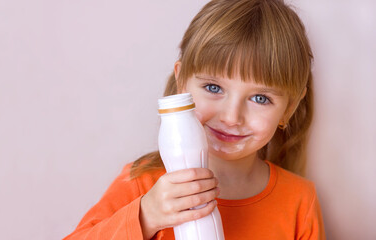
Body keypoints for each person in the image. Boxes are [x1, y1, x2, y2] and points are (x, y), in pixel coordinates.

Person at [64, 0, 325, 239]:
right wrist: (146, 217)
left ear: (289, 108)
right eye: (213, 88)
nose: (231, 117)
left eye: (260, 98)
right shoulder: (144, 184)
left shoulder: (300, 202)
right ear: (182, 84)